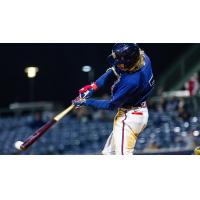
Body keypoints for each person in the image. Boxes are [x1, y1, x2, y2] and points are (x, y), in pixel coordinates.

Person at [73, 43, 155, 155]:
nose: (118, 63)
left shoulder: (131, 82)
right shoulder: (143, 58)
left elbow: (111, 105)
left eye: (120, 62)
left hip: (129, 117)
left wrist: (85, 102)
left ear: (129, 62)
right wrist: (93, 87)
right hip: (137, 112)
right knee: (108, 154)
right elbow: (112, 71)